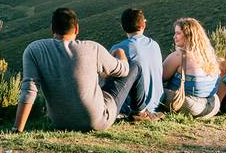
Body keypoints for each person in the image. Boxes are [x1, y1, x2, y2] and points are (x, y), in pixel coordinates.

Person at [11, 8, 145, 133]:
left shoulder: (34, 49)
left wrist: (17, 129)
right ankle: (139, 113)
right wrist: (120, 53)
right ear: (76, 28)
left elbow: (29, 89)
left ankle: (18, 127)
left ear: (52, 29)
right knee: (135, 66)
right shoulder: (92, 48)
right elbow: (124, 71)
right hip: (97, 121)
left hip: (60, 122)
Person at [109, 8, 164, 120]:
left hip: (133, 106)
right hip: (157, 103)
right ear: (143, 25)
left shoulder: (118, 48)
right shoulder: (155, 45)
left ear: (122, 27)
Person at [162, 18, 221, 118]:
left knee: (153, 89)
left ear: (189, 35)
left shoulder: (179, 56)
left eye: (178, 33)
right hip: (213, 105)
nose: (174, 37)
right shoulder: (208, 54)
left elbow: (160, 78)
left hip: (190, 106)